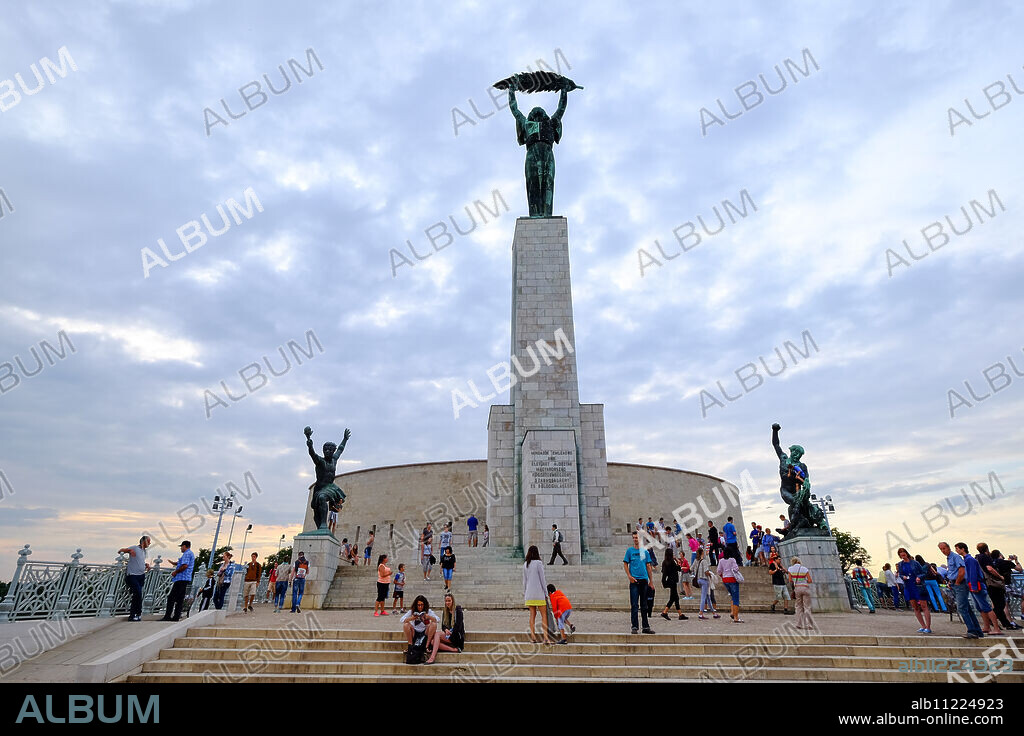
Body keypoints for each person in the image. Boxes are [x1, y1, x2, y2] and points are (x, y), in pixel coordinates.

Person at [938, 541, 983, 639]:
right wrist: (951, 582)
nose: (943, 551)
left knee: (962, 608)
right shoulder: (950, 558)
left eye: (944, 548)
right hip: (955, 583)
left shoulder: (955, 557)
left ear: (948, 548)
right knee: (967, 608)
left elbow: (962, 571)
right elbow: (954, 571)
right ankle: (977, 630)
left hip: (960, 584)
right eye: (941, 549)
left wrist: (957, 582)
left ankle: (972, 631)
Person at [959, 543, 1000, 635]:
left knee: (985, 607)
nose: (957, 551)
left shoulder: (969, 560)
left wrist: (974, 586)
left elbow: (973, 573)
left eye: (958, 549)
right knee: (981, 607)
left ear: (963, 549)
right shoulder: (968, 559)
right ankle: (987, 627)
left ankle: (996, 628)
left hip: (976, 586)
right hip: (975, 585)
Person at [977, 543, 1018, 631]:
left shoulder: (978, 558)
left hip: (986, 583)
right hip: (993, 583)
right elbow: (990, 568)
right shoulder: (985, 558)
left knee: (997, 604)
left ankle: (1006, 624)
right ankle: (993, 620)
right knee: (1000, 604)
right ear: (986, 549)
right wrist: (1000, 577)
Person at [623, 531, 656, 634]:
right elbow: (625, 563)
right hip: (634, 581)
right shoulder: (630, 551)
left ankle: (645, 626)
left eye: (636, 537)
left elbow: (648, 566)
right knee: (634, 605)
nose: (635, 539)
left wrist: (651, 581)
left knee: (644, 605)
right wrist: (629, 576)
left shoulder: (645, 551)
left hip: (643, 580)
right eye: (634, 537)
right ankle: (634, 626)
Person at [523, 545, 555, 643]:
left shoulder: (525, 564)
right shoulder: (538, 563)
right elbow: (542, 579)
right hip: (539, 593)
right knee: (544, 615)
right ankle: (546, 638)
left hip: (529, 593)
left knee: (532, 615)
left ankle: (533, 637)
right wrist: (546, 593)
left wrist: (525, 593)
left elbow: (524, 581)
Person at [400, 595, 443, 665]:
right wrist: (411, 618)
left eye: (422, 605)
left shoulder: (428, 611)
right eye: (418, 605)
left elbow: (437, 619)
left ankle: (427, 646)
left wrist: (429, 617)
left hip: (425, 632)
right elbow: (402, 619)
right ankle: (410, 646)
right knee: (406, 624)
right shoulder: (412, 611)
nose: (420, 607)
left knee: (433, 624)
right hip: (414, 632)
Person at [896, 548, 931, 634]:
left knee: (924, 606)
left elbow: (923, 573)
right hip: (908, 586)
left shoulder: (915, 563)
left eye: (903, 553)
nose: (902, 555)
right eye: (901, 554)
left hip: (918, 586)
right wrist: (902, 577)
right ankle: (923, 626)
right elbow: (900, 574)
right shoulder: (900, 564)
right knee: (915, 607)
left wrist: (919, 577)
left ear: (906, 553)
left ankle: (928, 627)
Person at [118, 535, 151, 622]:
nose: (150, 543)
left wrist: (146, 565)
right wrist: (129, 551)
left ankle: (136, 614)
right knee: (138, 594)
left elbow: (140, 560)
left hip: (141, 575)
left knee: (138, 595)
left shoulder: (144, 551)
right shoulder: (135, 548)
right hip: (132, 575)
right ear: (144, 542)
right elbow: (120, 550)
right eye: (148, 541)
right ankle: (134, 615)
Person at [161, 540, 195, 622]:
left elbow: (185, 566)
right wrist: (174, 563)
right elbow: (182, 563)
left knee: (171, 597)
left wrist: (176, 572)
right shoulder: (190, 553)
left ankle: (168, 616)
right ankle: (176, 616)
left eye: (181, 546)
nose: (181, 548)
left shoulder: (187, 553)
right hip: (185, 579)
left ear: (185, 546)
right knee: (180, 599)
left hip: (181, 578)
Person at [990, 550, 1021, 629]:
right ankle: (1010, 622)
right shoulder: (1006, 563)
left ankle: (995, 621)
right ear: (999, 555)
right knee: (1005, 604)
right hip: (1006, 585)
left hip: (995, 585)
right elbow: (1019, 569)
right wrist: (1016, 560)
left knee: (996, 604)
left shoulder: (992, 563)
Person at [787, 556, 815, 630]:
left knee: (798, 606)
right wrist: (804, 580)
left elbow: (790, 580)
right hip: (805, 587)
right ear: (799, 562)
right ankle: (809, 625)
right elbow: (810, 580)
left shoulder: (790, 569)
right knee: (807, 607)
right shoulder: (804, 569)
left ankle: (798, 624)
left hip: (797, 588)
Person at [660, 548, 686, 620]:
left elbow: (664, 573)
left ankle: (680, 614)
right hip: (673, 581)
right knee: (673, 598)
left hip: (669, 580)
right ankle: (665, 612)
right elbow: (678, 569)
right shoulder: (672, 562)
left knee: (675, 598)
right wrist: (677, 561)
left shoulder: (664, 562)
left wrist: (664, 582)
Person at [718, 550, 744, 622]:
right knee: (736, 598)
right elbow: (736, 568)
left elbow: (719, 571)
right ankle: (736, 617)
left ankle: (732, 612)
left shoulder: (721, 561)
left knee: (732, 596)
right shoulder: (732, 560)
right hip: (732, 579)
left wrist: (723, 576)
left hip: (725, 580)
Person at [693, 547, 718, 620]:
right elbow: (706, 572)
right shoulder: (704, 561)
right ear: (702, 553)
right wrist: (711, 575)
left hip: (698, 580)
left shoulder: (695, 561)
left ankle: (714, 613)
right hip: (704, 580)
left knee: (708, 597)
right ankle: (701, 613)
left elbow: (691, 568)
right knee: (704, 597)